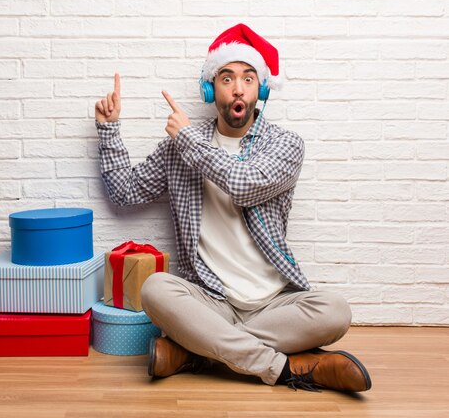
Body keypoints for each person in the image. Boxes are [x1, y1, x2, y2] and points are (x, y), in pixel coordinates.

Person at [94, 23, 371, 393]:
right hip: (211, 299)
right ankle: (285, 369)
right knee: (156, 289)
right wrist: (109, 130)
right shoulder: (179, 148)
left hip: (275, 303)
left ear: (261, 89)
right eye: (226, 78)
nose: (238, 88)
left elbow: (246, 185)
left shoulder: (285, 145)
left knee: (336, 311)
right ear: (211, 89)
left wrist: (189, 140)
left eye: (248, 78)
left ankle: (197, 351)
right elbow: (124, 192)